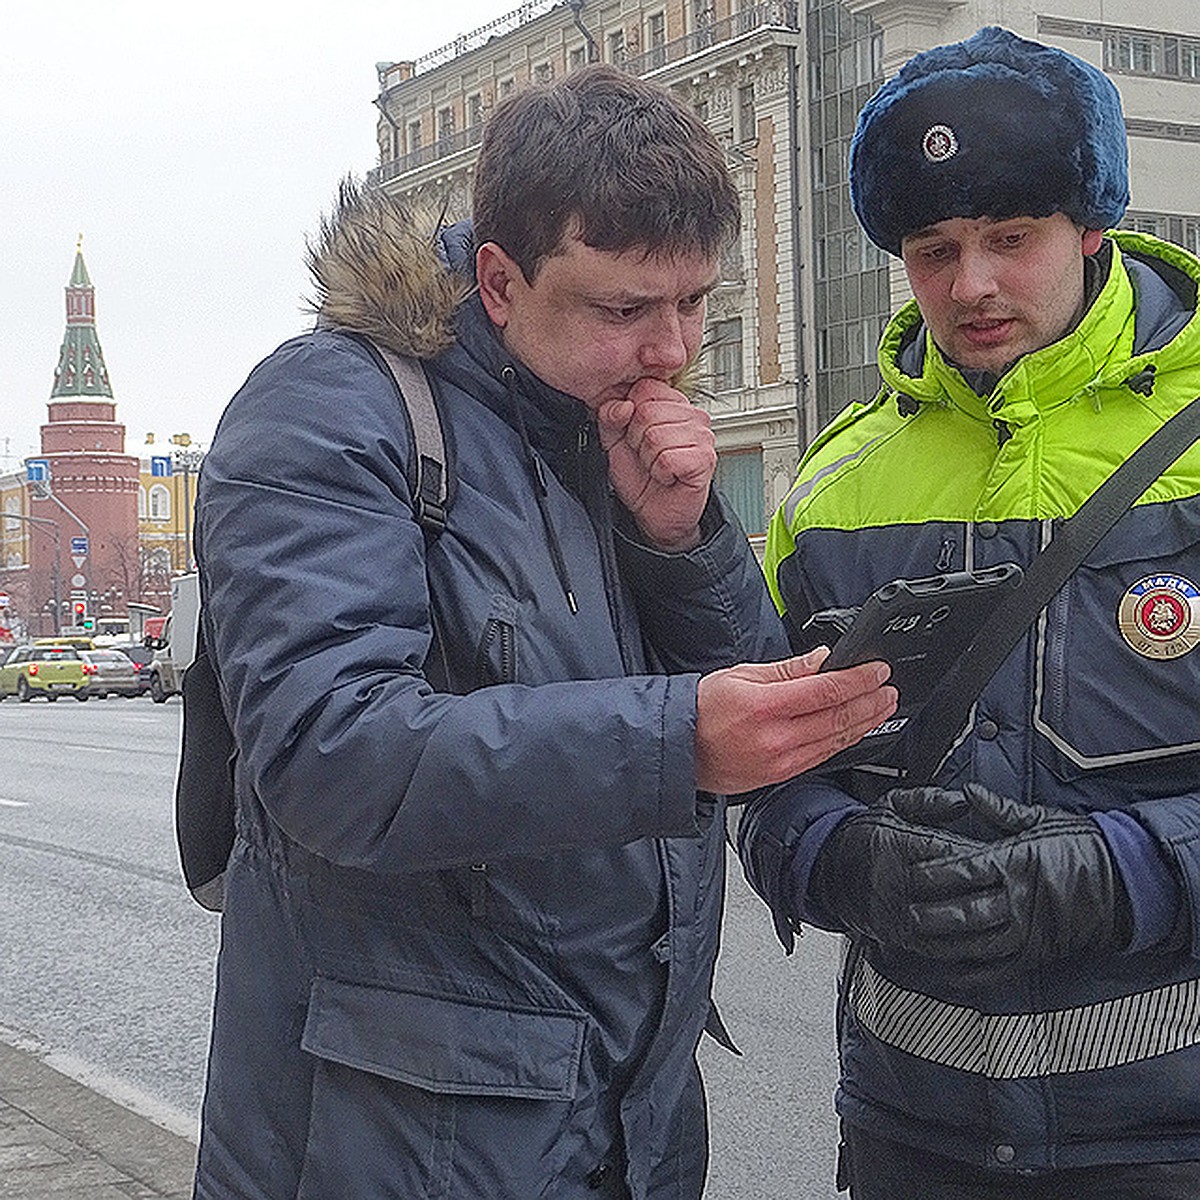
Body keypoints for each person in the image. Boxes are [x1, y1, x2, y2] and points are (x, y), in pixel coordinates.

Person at [190, 65, 896, 1200]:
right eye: (624, 309)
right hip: (395, 1145)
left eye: (694, 303)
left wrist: (681, 539)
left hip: (624, 1121)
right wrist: (677, 743)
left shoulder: (600, 430)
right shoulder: (329, 410)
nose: (670, 350)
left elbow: (734, 679)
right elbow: (330, 755)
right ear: (499, 281)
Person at [738, 26, 1200, 1200]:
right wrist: (841, 861)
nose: (972, 284)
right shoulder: (834, 490)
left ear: (1093, 226)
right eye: (933, 249)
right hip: (912, 1136)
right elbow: (762, 779)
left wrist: (1127, 872)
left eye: (1011, 238)